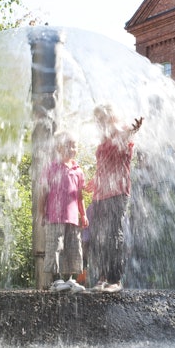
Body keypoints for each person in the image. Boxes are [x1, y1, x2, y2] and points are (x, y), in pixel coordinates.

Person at [87, 104, 143, 293]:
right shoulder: (103, 141)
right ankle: (102, 277)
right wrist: (91, 183)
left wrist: (134, 130)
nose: (99, 122)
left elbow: (128, 135)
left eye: (102, 118)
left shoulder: (121, 133)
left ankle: (115, 279)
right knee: (98, 237)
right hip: (100, 193)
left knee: (112, 235)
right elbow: (102, 168)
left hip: (117, 192)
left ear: (111, 117)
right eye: (97, 119)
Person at [38, 131, 89, 292]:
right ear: (59, 148)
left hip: (73, 218)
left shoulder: (78, 170)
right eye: (69, 145)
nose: (73, 149)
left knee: (73, 248)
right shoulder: (51, 167)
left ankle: (70, 280)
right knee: (55, 246)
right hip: (55, 216)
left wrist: (84, 214)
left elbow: (79, 195)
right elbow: (43, 192)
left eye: (75, 146)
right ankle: (56, 280)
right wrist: (41, 212)